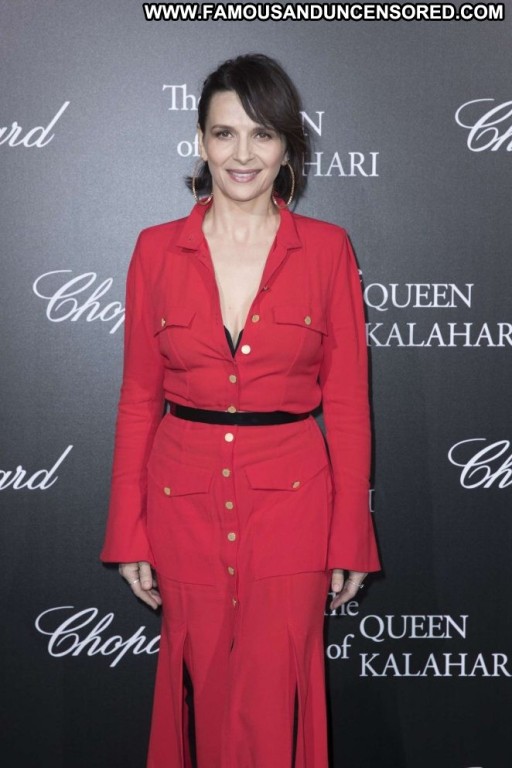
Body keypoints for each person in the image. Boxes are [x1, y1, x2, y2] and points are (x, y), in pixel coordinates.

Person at [100, 52, 381, 768]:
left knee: (275, 685)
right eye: (225, 133)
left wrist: (350, 535)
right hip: (181, 500)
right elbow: (138, 400)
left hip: (293, 503)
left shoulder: (327, 251)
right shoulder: (155, 251)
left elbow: (348, 406)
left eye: (262, 134)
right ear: (201, 141)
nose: (243, 154)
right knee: (199, 686)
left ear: (287, 146)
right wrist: (128, 529)